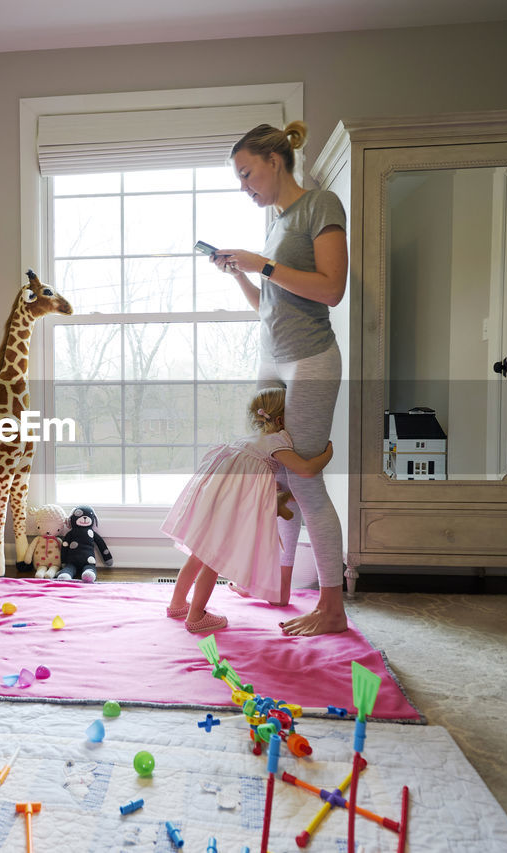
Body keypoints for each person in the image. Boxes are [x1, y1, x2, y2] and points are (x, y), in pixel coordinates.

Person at [212, 120, 350, 636]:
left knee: (305, 480)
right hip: (272, 359)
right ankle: (280, 582)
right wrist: (246, 275)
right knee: (275, 475)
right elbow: (270, 308)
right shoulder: (275, 222)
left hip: (310, 359)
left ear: (275, 160)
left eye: (248, 173)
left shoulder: (320, 205)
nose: (245, 185)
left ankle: (333, 608)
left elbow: (331, 289)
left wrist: (263, 264)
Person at [162, 388, 333, 634]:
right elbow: (306, 470)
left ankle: (177, 604)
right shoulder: (278, 441)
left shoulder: (248, 439)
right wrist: (327, 454)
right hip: (228, 504)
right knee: (213, 559)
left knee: (199, 554)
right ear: (283, 420)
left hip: (211, 496)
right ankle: (196, 616)